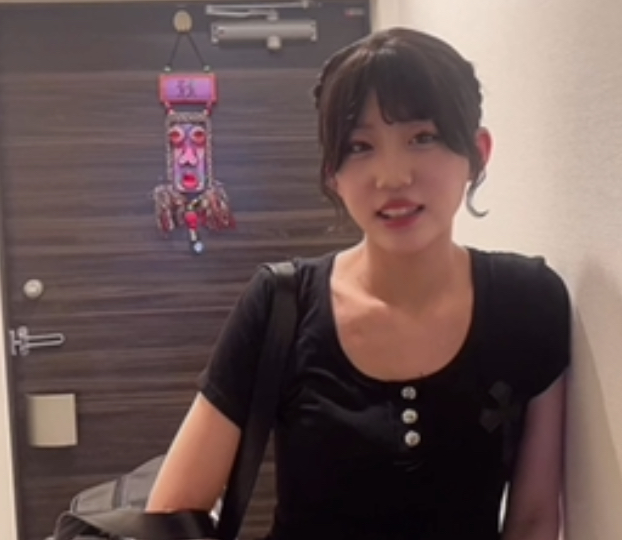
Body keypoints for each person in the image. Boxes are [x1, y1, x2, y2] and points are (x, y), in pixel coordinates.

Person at [146, 27, 571, 540]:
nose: (392, 177)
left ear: (477, 153)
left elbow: (533, 519)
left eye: (423, 137)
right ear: (333, 173)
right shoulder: (282, 304)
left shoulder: (529, 303)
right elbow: (172, 512)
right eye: (361, 146)